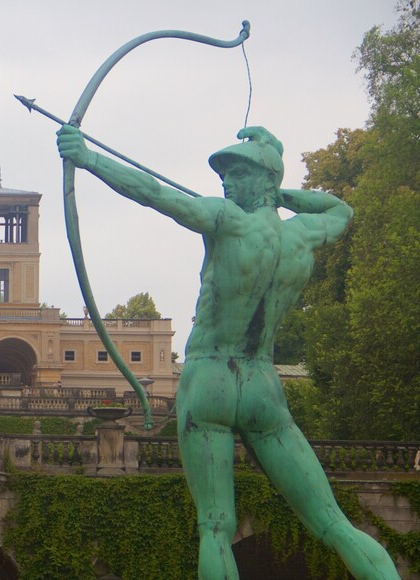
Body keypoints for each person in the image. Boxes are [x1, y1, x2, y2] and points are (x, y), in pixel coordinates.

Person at [57, 124, 398, 579]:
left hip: (210, 379)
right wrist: (280, 195)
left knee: (215, 529)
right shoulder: (303, 236)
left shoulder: (225, 219)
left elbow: (154, 194)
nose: (226, 182)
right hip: (263, 387)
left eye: (238, 173)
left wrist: (88, 157)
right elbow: (341, 208)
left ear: (264, 179)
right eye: (226, 174)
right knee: (332, 522)